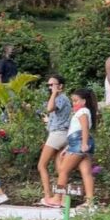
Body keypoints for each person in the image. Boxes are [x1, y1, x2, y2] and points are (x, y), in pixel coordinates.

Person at [48, 88, 98, 210]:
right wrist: (69, 147)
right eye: (73, 101)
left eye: (76, 101)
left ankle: (57, 198)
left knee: (63, 171)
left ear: (84, 101)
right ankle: (90, 202)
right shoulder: (85, 111)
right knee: (86, 173)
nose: (73, 103)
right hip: (78, 143)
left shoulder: (82, 112)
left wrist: (84, 144)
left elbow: (84, 128)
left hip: (79, 143)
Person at [38, 75, 72, 207]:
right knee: (60, 169)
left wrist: (53, 94)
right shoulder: (62, 99)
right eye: (49, 85)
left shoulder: (60, 98)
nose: (50, 87)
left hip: (58, 134)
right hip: (62, 134)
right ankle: (62, 198)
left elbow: (49, 108)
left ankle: (48, 196)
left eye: (53, 84)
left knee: (42, 165)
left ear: (61, 86)